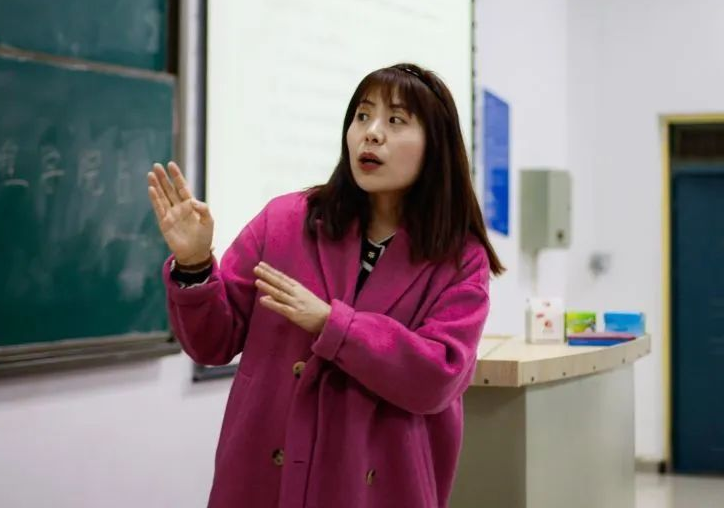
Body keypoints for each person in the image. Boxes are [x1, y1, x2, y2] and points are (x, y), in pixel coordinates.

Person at [147, 63, 505, 508]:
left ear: (436, 145)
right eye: (362, 116)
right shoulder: (285, 220)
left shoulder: (458, 258)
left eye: (395, 120)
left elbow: (438, 377)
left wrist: (333, 325)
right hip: (262, 482)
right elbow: (212, 344)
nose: (371, 133)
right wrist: (195, 264)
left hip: (375, 489)